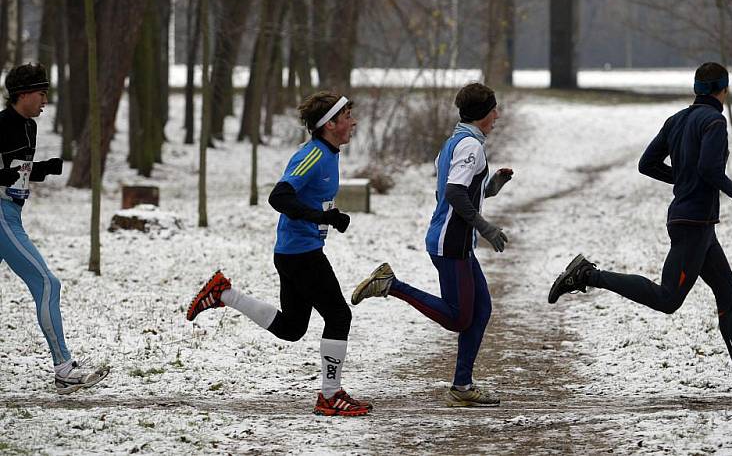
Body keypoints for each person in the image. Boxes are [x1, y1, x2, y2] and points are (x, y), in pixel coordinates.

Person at [547, 62, 732, 403]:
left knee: (729, 292)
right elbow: (708, 168)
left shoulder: (677, 120)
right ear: (723, 89)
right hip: (694, 225)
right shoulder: (715, 122)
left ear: (697, 88)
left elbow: (647, 163)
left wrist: (682, 180)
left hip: (696, 224)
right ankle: (588, 274)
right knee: (667, 299)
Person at [187, 91, 371, 416]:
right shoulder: (314, 155)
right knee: (339, 315)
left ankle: (223, 293)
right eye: (346, 118)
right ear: (330, 125)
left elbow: (309, 199)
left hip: (295, 251)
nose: (352, 122)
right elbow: (279, 197)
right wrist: (321, 217)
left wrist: (328, 214)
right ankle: (330, 395)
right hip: (301, 254)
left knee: (292, 328)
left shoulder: (328, 153)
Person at [350, 82, 512, 407]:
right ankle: (390, 284)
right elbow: (453, 193)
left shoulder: (454, 143)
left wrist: (491, 187)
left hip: (454, 241)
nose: (497, 115)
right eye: (494, 109)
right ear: (482, 114)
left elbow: (454, 192)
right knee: (458, 318)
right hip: (452, 242)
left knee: (480, 311)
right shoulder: (470, 147)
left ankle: (462, 387)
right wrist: (485, 226)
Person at [0, 63, 109, 394]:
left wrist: (42, 169)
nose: (46, 100)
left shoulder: (29, 126)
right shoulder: (2, 124)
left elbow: (15, 169)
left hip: (12, 213)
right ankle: (63, 368)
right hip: (1, 216)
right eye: (42, 93)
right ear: (23, 94)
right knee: (47, 283)